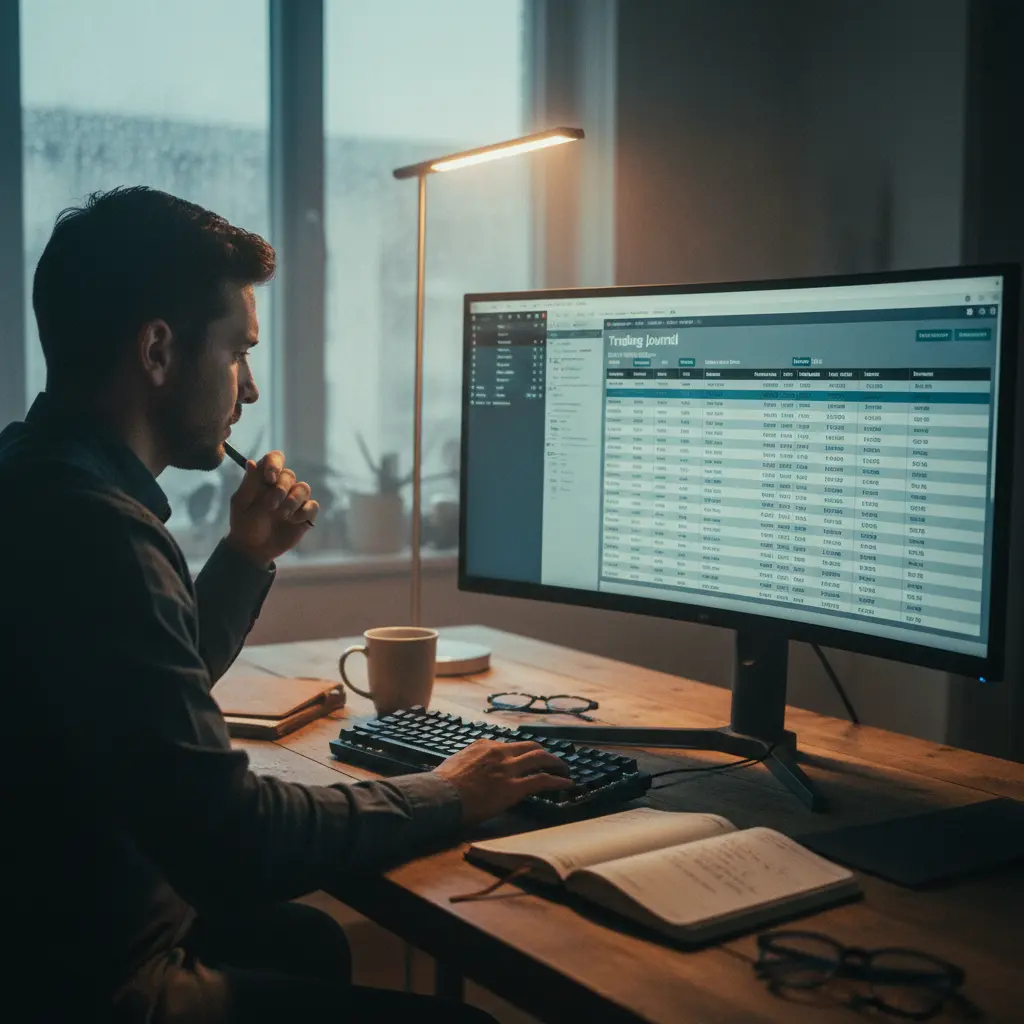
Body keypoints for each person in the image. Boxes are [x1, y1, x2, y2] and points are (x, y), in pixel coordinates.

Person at [0, 187, 573, 1023]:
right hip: (99, 985)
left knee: (311, 941)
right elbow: (233, 843)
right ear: (158, 350)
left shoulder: (33, 473)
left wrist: (242, 559)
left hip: (51, 932)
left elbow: (130, 704)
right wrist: (448, 792)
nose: (252, 390)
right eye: (238, 351)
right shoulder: (101, 534)